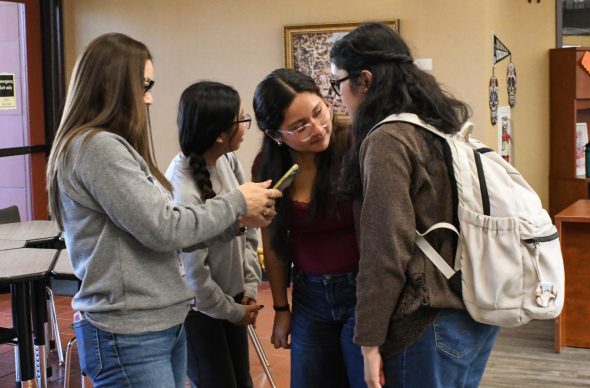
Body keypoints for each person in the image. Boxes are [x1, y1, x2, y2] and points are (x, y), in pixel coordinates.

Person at [45, 33, 281, 388]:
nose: (150, 98)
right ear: (115, 86)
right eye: (144, 85)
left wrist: (234, 223)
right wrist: (237, 203)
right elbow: (163, 228)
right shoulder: (97, 147)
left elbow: (163, 235)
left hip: (155, 324)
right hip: (129, 331)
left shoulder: (110, 146)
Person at [330, 23, 499, 388]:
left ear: (365, 80)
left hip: (427, 321)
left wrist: (369, 342)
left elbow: (385, 252)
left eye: (337, 82)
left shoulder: (389, 139)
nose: (338, 95)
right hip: (474, 308)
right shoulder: (441, 125)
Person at [252, 68, 366, 388]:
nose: (317, 129)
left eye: (319, 112)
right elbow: (273, 243)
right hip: (310, 296)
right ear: (276, 135)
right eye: (299, 127)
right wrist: (280, 308)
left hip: (362, 291)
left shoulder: (356, 146)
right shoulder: (267, 166)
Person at [165, 81, 261, 388]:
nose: (247, 126)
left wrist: (249, 285)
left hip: (232, 301)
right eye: (241, 120)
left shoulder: (227, 160)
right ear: (220, 134)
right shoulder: (182, 189)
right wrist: (232, 311)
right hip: (199, 311)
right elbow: (194, 277)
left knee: (241, 382)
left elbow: (247, 228)